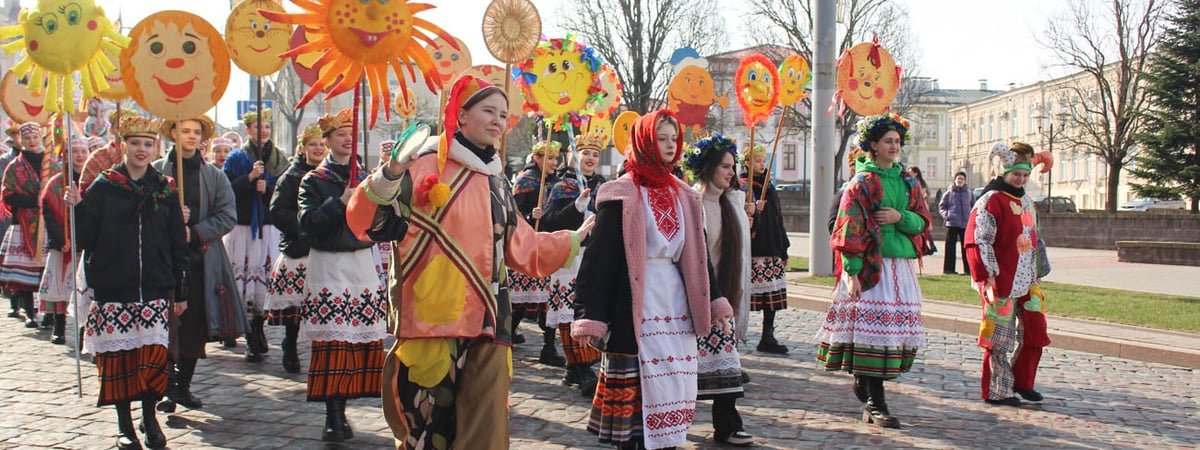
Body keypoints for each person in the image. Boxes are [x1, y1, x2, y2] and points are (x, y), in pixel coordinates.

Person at [347, 74, 585, 449]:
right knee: (428, 432)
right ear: (461, 115)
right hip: (432, 321)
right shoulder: (424, 164)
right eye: (488, 111)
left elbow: (523, 247)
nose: (497, 121)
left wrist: (575, 238)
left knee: (484, 431)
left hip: (491, 321)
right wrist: (389, 174)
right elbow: (367, 224)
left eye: (503, 114)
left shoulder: (497, 181)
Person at [572, 110, 734, 450]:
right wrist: (591, 315)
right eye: (661, 138)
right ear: (644, 141)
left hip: (676, 304)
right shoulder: (620, 193)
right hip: (633, 301)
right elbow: (599, 260)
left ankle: (668, 443)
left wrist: (715, 300)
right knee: (637, 394)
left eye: (674, 138)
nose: (670, 145)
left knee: (675, 385)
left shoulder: (685, 195)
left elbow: (698, 257)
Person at [66, 112, 187, 450]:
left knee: (152, 360)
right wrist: (77, 208)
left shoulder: (165, 188)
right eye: (135, 143)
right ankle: (124, 425)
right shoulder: (104, 187)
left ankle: (150, 418)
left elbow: (177, 241)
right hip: (114, 287)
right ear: (123, 146)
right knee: (119, 362)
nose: (141, 149)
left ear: (155, 148)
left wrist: (180, 287)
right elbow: (85, 238)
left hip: (154, 286)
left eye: (147, 144)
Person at [819, 113, 930, 428]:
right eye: (887, 141)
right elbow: (848, 228)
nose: (894, 146)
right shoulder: (862, 182)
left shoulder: (908, 181)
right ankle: (875, 402)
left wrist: (900, 217)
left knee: (890, 336)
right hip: (871, 267)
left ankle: (867, 385)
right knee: (874, 335)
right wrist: (852, 272)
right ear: (874, 145)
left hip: (900, 267)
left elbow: (923, 221)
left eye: (897, 141)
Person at [297, 109, 402, 442]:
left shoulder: (367, 178)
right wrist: (339, 202)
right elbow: (307, 225)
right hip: (328, 265)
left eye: (349, 133)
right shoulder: (313, 180)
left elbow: (381, 223)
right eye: (339, 134)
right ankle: (332, 414)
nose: (346, 139)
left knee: (356, 343)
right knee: (333, 343)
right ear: (327, 140)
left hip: (360, 262)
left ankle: (344, 408)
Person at [153, 116, 242, 414]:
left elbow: (227, 215)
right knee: (165, 325)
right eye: (185, 131)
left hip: (200, 260)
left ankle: (183, 385)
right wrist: (169, 218)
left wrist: (194, 232)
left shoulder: (215, 176)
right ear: (172, 133)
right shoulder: (157, 172)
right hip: (162, 262)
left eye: (196, 132)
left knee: (193, 327)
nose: (191, 137)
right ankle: (166, 384)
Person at [682, 134, 754, 446]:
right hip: (693, 296)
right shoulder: (691, 203)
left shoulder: (732, 203)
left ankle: (727, 425)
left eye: (733, 166)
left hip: (723, 294)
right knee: (686, 366)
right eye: (725, 166)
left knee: (727, 361)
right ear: (708, 167)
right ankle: (675, 421)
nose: (731, 172)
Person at [966, 142, 1051, 407]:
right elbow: (979, 239)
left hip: (1027, 279)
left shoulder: (1027, 202)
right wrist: (987, 274)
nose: (1021, 179)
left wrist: (1039, 271)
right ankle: (999, 389)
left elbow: (1035, 238)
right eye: (1016, 174)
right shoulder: (991, 201)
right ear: (1005, 172)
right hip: (1000, 280)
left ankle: (1022, 381)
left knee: (1035, 332)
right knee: (999, 337)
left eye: (1025, 175)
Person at [540, 128, 607, 397]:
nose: (590, 158)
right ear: (572, 156)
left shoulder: (604, 186)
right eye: (584, 153)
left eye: (595, 154)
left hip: (594, 255)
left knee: (589, 311)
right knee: (570, 314)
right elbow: (549, 222)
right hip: (570, 257)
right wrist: (577, 207)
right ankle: (582, 369)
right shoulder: (561, 187)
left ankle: (573, 368)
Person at [223, 109, 288, 362]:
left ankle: (260, 326)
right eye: (258, 127)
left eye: (267, 127)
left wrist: (267, 187)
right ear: (248, 130)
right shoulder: (236, 158)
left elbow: (285, 190)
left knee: (264, 281)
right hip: (243, 227)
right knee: (246, 283)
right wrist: (249, 178)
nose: (263, 131)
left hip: (268, 226)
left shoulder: (279, 158)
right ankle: (250, 334)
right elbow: (226, 190)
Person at [265, 124, 325, 374]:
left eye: (322, 144)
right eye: (313, 144)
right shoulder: (291, 177)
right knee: (297, 307)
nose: (318, 149)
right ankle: (290, 345)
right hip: (298, 246)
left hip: (324, 248)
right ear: (303, 148)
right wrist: (305, 226)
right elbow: (278, 212)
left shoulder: (329, 174)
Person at [0, 122, 62, 328]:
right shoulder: (14, 167)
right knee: (25, 273)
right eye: (27, 138)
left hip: (49, 222)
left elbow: (60, 190)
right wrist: (35, 199)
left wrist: (48, 198)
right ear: (21, 140)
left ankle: (50, 314)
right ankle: (29, 312)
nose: (31, 141)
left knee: (49, 270)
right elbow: (8, 196)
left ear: (41, 138)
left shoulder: (53, 164)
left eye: (35, 137)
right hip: (24, 223)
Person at [509, 136, 562, 358]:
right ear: (537, 158)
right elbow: (514, 212)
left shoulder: (556, 181)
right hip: (528, 244)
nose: (554, 163)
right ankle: (508, 332)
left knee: (549, 299)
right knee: (522, 300)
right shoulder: (525, 180)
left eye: (556, 158)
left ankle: (548, 346)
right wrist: (531, 216)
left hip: (547, 244)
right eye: (549, 158)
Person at [37, 138, 89, 344]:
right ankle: (59, 327)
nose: (79, 156)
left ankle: (84, 332)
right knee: (59, 289)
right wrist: (61, 239)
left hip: (85, 244)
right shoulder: (56, 183)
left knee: (84, 290)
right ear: (66, 156)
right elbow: (48, 212)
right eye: (74, 151)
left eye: (83, 151)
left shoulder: (95, 181)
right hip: (62, 244)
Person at [740, 144, 791, 354]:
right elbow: (743, 216)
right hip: (755, 249)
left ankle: (767, 335)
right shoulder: (743, 185)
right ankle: (734, 334)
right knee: (745, 296)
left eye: (763, 161)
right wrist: (755, 211)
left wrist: (783, 246)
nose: (762, 164)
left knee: (772, 298)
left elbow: (778, 219)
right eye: (757, 161)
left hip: (772, 247)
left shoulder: (768, 185)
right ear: (747, 163)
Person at [939, 171, 972, 275]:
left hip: (965, 224)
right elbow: (942, 206)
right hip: (952, 223)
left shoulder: (969, 193)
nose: (960, 180)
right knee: (950, 247)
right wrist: (947, 215)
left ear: (965, 181)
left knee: (966, 247)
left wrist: (971, 218)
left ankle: (968, 270)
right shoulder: (949, 193)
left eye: (962, 179)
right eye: (958, 178)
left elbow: (974, 206)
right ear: (955, 180)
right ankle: (949, 269)